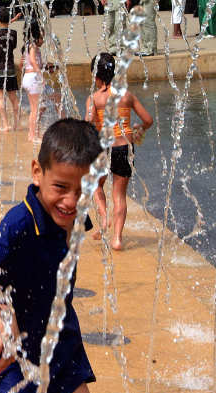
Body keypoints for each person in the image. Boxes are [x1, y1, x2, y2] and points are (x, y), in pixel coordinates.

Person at [0, 118, 103, 393]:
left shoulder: (74, 215)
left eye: (83, 190)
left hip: (56, 343)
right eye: (61, 187)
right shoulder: (21, 222)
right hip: (7, 348)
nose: (71, 201)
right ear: (37, 172)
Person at [85, 53, 153, 251]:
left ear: (96, 76)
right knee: (119, 195)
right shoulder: (127, 96)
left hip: (104, 147)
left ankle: (104, 218)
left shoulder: (94, 98)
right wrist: (139, 128)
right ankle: (117, 238)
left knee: (96, 185)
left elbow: (88, 122)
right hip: (125, 147)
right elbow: (148, 120)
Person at [0, 8, 19, 132]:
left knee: (0, 98)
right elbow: (14, 46)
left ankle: (6, 125)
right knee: (13, 98)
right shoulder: (14, 33)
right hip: (10, 69)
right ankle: (16, 124)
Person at [21, 24, 45, 144]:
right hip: (33, 78)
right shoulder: (33, 46)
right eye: (42, 37)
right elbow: (33, 62)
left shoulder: (33, 47)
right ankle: (32, 135)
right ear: (36, 37)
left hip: (30, 77)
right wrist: (41, 76)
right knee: (36, 109)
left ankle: (35, 133)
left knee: (40, 108)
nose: (43, 40)